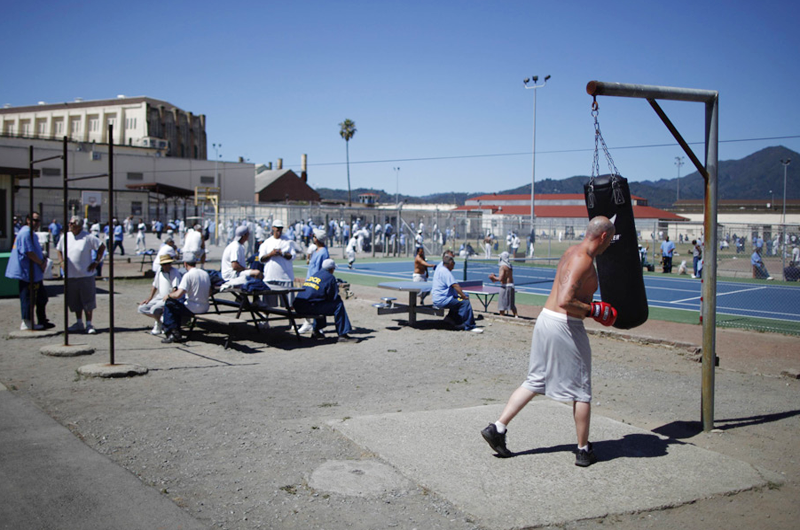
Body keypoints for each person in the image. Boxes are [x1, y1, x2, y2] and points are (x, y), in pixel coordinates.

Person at [480, 216, 617, 467]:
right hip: (565, 325)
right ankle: (584, 450)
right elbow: (566, 299)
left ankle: (497, 429)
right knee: (582, 389)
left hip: (546, 319)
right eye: (611, 240)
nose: (610, 246)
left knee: (536, 379)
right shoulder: (583, 260)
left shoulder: (571, 251)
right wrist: (594, 311)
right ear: (604, 237)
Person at [56, 216, 106, 335]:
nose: (70, 225)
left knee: (88, 301)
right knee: (75, 301)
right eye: (69, 223)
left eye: (72, 223)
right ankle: (79, 322)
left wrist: (96, 261)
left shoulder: (87, 237)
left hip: (85, 275)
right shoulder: (65, 237)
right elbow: (58, 250)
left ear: (79, 226)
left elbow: (101, 246)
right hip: (71, 275)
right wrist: (61, 262)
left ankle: (89, 323)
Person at [5, 212, 52, 330]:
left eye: (38, 220)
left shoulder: (30, 233)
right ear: (28, 220)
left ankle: (41, 320)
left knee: (41, 297)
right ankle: (27, 322)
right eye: (34, 220)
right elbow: (29, 252)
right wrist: (41, 262)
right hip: (28, 272)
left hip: (34, 272)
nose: (36, 223)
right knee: (28, 297)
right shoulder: (26, 233)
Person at [293, 259, 356, 343]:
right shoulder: (330, 277)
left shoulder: (315, 274)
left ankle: (317, 331)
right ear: (332, 269)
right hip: (308, 306)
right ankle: (342, 334)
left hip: (299, 305)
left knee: (320, 302)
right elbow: (332, 297)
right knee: (338, 304)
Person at [161, 252, 211, 344]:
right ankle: (175, 330)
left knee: (169, 303)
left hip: (193, 308)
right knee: (178, 303)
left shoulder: (188, 275)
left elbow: (177, 294)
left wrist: (168, 295)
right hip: (205, 307)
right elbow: (209, 293)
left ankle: (171, 331)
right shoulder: (205, 274)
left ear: (185, 263)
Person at [431, 255, 482, 333]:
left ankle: (451, 319)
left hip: (439, 298)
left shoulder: (440, 268)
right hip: (443, 300)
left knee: (458, 299)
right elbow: (455, 285)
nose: (453, 268)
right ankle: (470, 326)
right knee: (464, 302)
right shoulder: (446, 272)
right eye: (453, 265)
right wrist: (463, 296)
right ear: (450, 263)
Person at [138, 253, 181, 335]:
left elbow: (175, 288)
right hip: (160, 296)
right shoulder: (159, 271)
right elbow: (155, 285)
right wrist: (149, 298)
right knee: (142, 308)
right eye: (165, 264)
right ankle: (160, 320)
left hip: (169, 297)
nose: (167, 266)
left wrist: (169, 296)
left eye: (169, 264)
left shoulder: (174, 272)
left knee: (154, 309)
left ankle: (160, 323)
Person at [258, 220, 297, 307]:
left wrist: (282, 253)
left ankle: (291, 321)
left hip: (285, 277)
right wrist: (271, 254)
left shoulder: (288, 241)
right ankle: (265, 320)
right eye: (277, 228)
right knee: (267, 305)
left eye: (280, 228)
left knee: (289, 305)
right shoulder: (267, 243)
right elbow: (261, 259)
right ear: (273, 228)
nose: (279, 231)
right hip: (270, 277)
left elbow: (292, 256)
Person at [489, 251, 517, 317]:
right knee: (512, 304)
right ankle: (516, 316)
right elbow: (505, 278)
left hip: (505, 287)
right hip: (511, 286)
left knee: (502, 304)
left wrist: (493, 277)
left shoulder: (502, 267)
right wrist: (495, 279)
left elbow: (501, 278)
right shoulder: (509, 266)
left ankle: (502, 316)